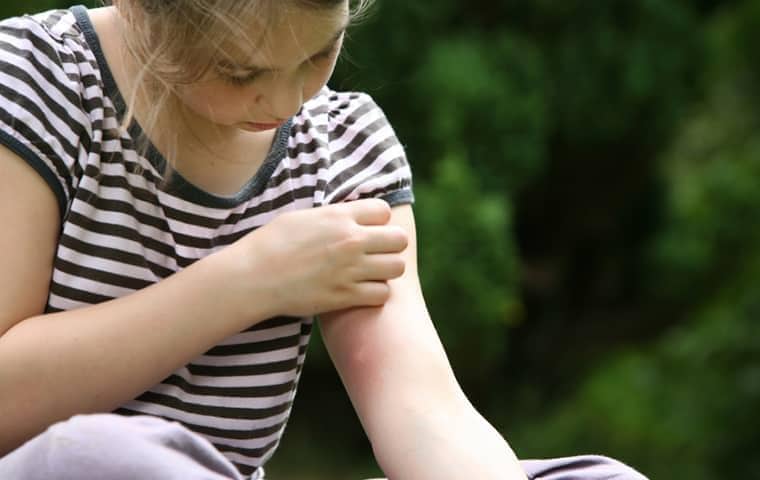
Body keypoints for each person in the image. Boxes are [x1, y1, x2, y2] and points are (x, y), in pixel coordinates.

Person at [0, 1, 648, 479]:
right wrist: (249, 280)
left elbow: (421, 409)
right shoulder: (35, 81)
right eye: (236, 70)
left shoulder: (346, 148)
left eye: (318, 54)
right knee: (101, 458)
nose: (285, 99)